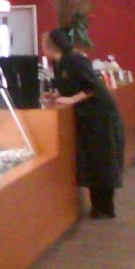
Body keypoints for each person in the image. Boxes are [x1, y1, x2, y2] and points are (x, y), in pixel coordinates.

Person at [41, 28, 125, 218]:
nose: (42, 49)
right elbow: (72, 86)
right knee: (94, 160)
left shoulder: (75, 60)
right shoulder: (60, 64)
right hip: (88, 115)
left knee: (102, 159)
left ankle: (105, 207)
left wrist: (71, 99)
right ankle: (99, 206)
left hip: (100, 114)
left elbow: (92, 87)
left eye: (43, 45)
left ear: (52, 46)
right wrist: (56, 95)